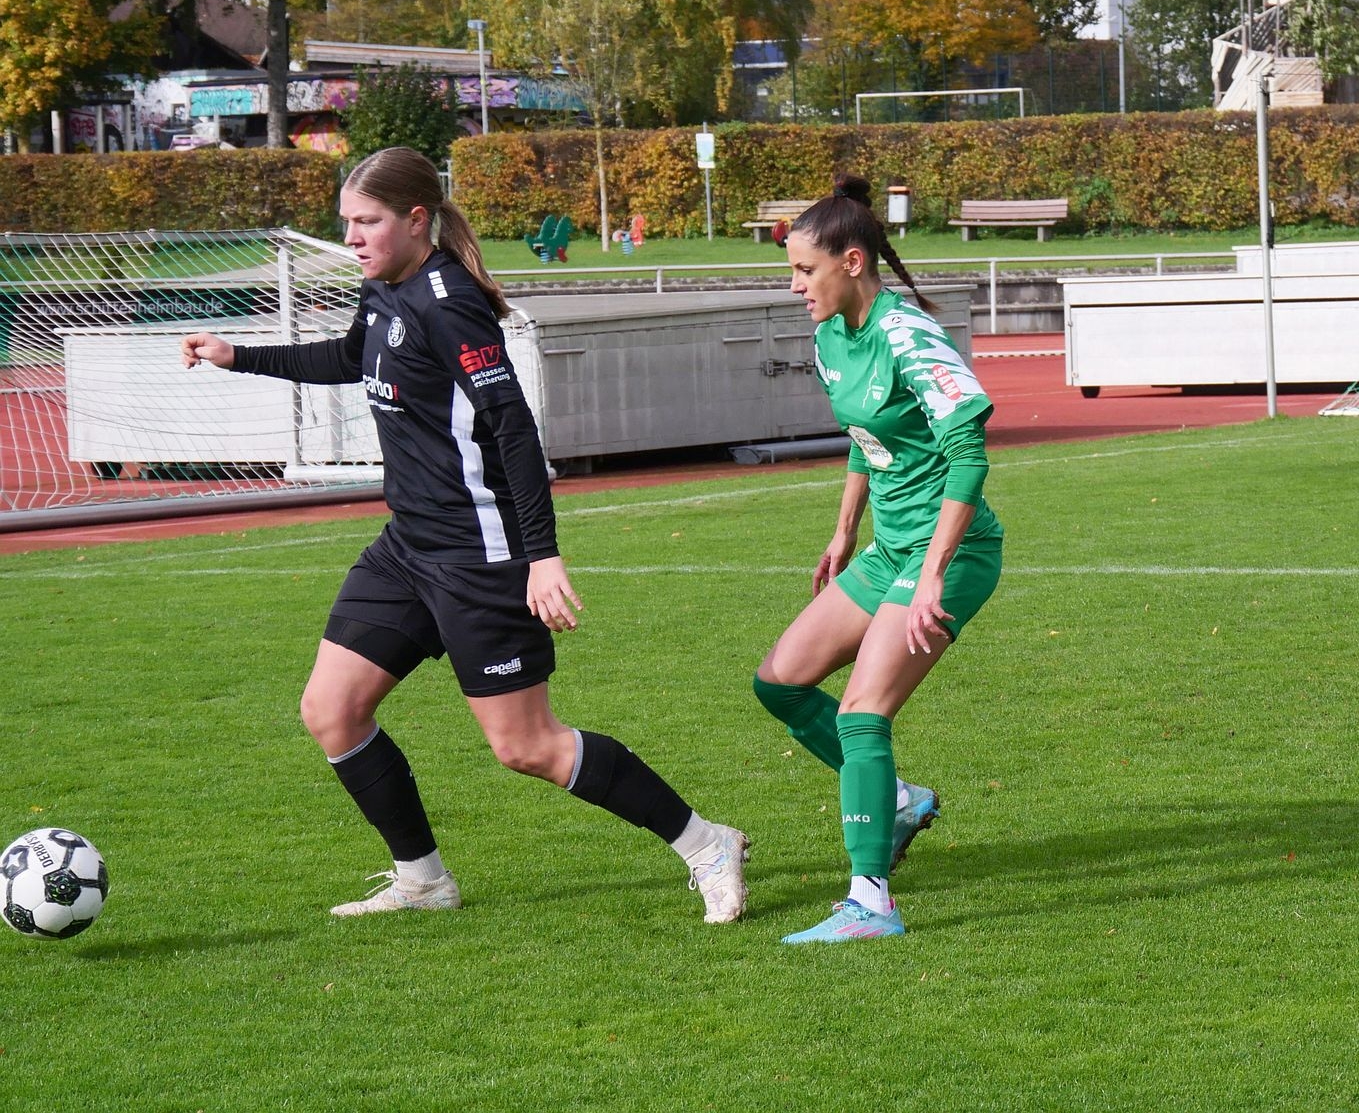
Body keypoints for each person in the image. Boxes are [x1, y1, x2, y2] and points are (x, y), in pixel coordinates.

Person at [179, 147, 748, 922]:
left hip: (480, 555)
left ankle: (706, 843)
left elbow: (514, 428)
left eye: (367, 221)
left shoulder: (449, 304)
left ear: (417, 220)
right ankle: (423, 881)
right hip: (408, 547)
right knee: (332, 710)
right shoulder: (383, 287)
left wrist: (542, 557)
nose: (351, 237)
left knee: (527, 747)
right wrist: (238, 355)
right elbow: (351, 356)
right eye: (346, 221)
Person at [753, 174, 1003, 944]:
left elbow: (969, 456)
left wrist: (932, 575)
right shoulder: (831, 336)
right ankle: (896, 801)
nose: (796, 286)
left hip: (950, 553)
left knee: (863, 713)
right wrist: (843, 532)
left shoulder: (909, 335)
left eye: (806, 270)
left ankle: (871, 903)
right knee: (780, 681)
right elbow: (867, 438)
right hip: (889, 548)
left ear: (852, 262)